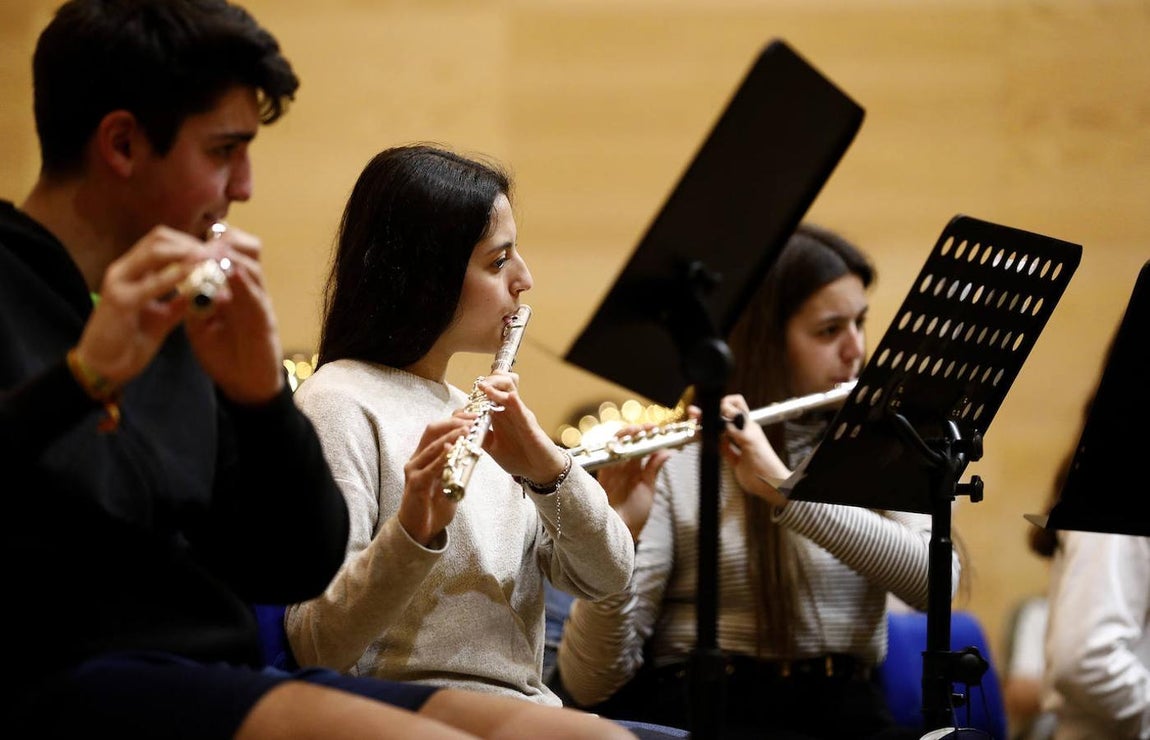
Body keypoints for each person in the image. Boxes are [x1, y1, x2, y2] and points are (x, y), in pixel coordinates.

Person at [0, 2, 635, 738]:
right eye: (223, 151)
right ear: (122, 143)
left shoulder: (179, 316)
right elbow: (313, 630)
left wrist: (260, 396)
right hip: (59, 670)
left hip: (201, 670)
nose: (243, 186)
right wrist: (84, 378)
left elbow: (289, 561)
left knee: (591, 736)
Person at [555, 223, 961, 739]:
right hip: (710, 713)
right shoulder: (679, 460)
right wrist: (617, 541)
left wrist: (786, 492)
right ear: (766, 340)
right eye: (829, 330)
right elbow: (589, 684)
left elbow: (940, 585)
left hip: (850, 712)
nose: (856, 350)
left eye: (860, 323)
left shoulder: (878, 444)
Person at [284, 144, 636, 707]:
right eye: (498, 262)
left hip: (525, 709)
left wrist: (548, 470)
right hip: (410, 709)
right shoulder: (338, 401)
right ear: (426, 277)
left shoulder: (481, 415)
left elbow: (609, 576)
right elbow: (315, 642)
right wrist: (413, 532)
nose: (525, 279)